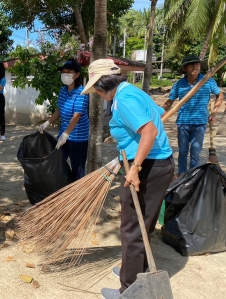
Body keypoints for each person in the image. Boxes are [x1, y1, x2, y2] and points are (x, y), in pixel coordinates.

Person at [82, 59, 174, 299]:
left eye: (96, 90)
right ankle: (133, 269)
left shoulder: (123, 100)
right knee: (142, 223)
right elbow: (158, 115)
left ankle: (128, 289)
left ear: (102, 85)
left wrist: (135, 168)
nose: (97, 94)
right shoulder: (130, 92)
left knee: (133, 227)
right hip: (155, 164)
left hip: (148, 168)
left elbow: (150, 131)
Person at [162, 54, 224, 175]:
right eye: (191, 65)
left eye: (197, 64)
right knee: (183, 152)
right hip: (183, 123)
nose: (195, 67)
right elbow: (169, 102)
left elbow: (220, 95)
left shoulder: (207, 80)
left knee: (195, 153)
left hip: (200, 123)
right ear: (185, 69)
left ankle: (193, 176)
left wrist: (214, 112)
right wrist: (158, 113)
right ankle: (182, 176)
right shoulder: (179, 84)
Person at [38, 58, 90, 181]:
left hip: (78, 137)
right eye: (63, 72)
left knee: (77, 168)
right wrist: (47, 122)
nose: (64, 74)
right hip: (63, 135)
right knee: (58, 162)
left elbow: (76, 116)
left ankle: (77, 194)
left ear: (77, 75)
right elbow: (59, 110)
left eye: (68, 72)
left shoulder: (82, 92)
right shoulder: (63, 90)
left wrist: (66, 134)